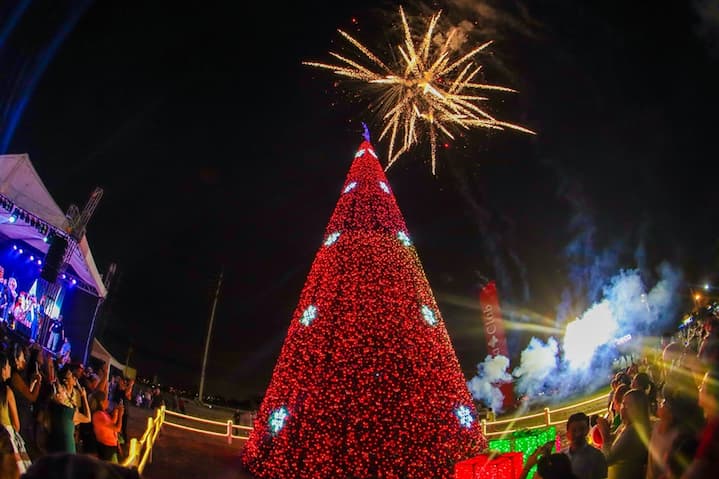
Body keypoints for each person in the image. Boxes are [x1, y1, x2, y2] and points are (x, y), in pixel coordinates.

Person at [596, 389, 650, 479]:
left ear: (637, 408)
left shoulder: (634, 431)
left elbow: (607, 460)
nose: (622, 408)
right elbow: (617, 439)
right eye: (622, 404)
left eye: (626, 405)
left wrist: (605, 435)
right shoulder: (626, 425)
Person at [46, 364, 90, 453]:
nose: (75, 378)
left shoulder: (76, 393)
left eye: (74, 376)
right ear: (65, 380)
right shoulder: (60, 395)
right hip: (62, 433)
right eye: (71, 376)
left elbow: (77, 414)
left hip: (69, 430)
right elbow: (86, 418)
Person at [0, 351, 31, 474]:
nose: (9, 368)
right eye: (7, 366)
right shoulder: (7, 392)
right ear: (2, 369)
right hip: (6, 437)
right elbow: (16, 425)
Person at [561, 412, 607, 479]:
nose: (578, 434)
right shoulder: (561, 456)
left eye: (582, 429)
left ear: (587, 430)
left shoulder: (597, 456)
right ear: (567, 433)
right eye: (574, 430)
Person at [90, 390, 124, 463]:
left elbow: (111, 424)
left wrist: (116, 413)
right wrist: (120, 415)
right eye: (106, 399)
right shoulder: (98, 415)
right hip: (106, 447)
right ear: (101, 402)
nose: (108, 401)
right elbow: (117, 428)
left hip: (110, 446)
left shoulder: (103, 413)